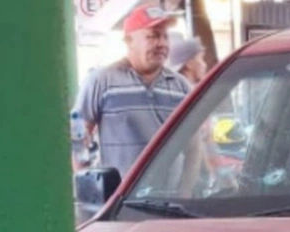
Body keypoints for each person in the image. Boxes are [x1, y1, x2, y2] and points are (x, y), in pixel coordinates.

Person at [72, 4, 199, 186]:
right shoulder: (101, 81)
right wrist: (88, 186)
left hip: (169, 205)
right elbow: (78, 136)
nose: (162, 43)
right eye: (153, 35)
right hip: (118, 204)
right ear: (129, 41)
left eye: (165, 36)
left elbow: (194, 147)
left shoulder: (182, 87)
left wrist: (185, 192)